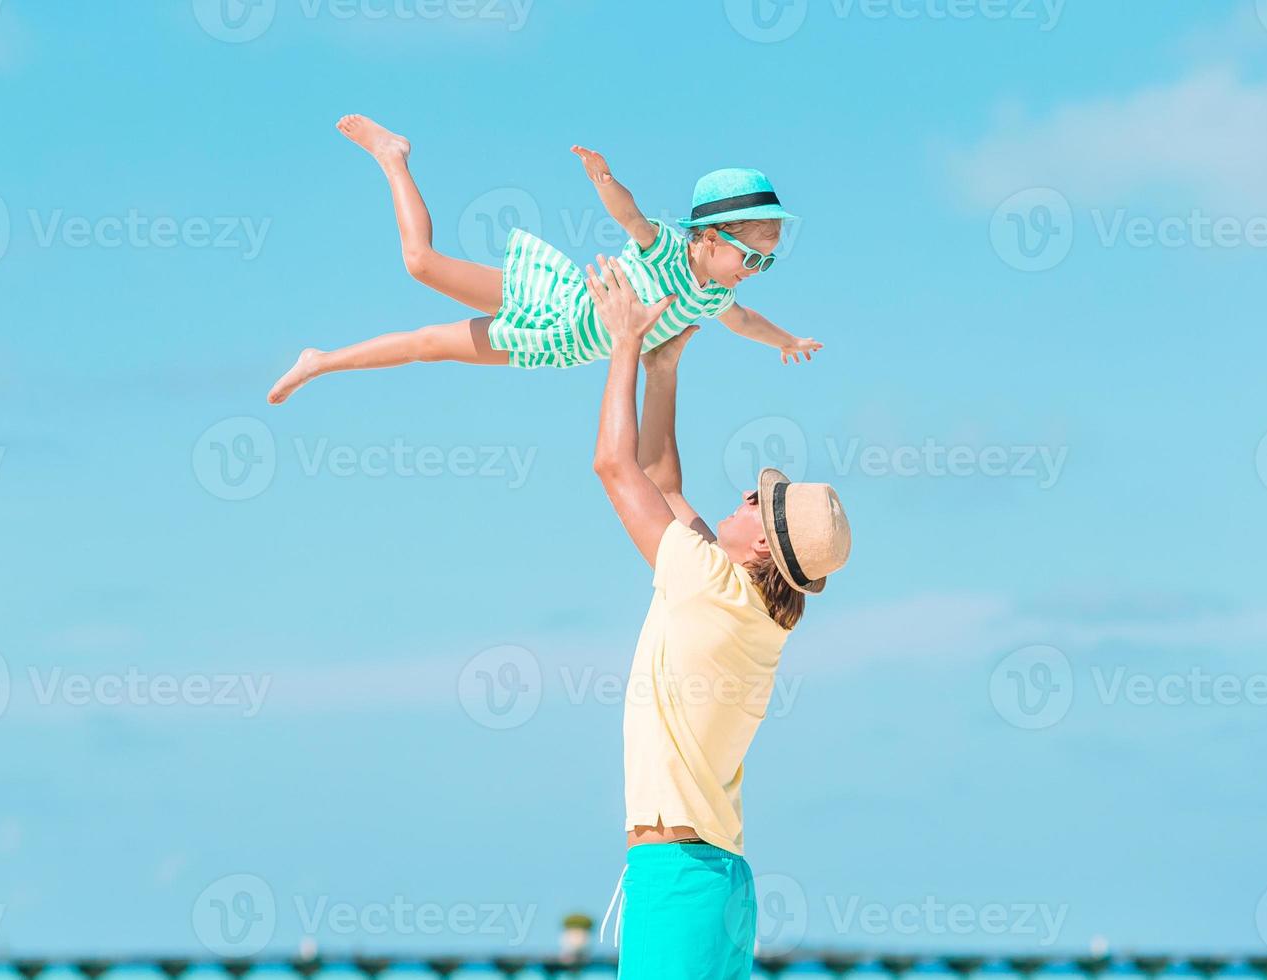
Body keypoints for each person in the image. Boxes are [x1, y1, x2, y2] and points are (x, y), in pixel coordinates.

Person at [581, 255, 851, 978]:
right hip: (717, 877)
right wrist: (665, 370)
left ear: (761, 544)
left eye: (748, 502)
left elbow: (618, 468)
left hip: (679, 877)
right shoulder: (756, 613)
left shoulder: (708, 587)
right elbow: (664, 482)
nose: (737, 499)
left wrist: (628, 341)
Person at [266, 115, 821, 404]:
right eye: (753, 255)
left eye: (767, 263)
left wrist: (788, 341)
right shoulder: (668, 247)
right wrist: (604, 177)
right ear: (710, 236)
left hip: (554, 347)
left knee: (429, 346)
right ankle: (392, 156)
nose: (755, 270)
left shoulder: (717, 295)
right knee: (421, 263)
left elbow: (745, 322)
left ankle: (319, 361)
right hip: (553, 302)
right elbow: (629, 217)